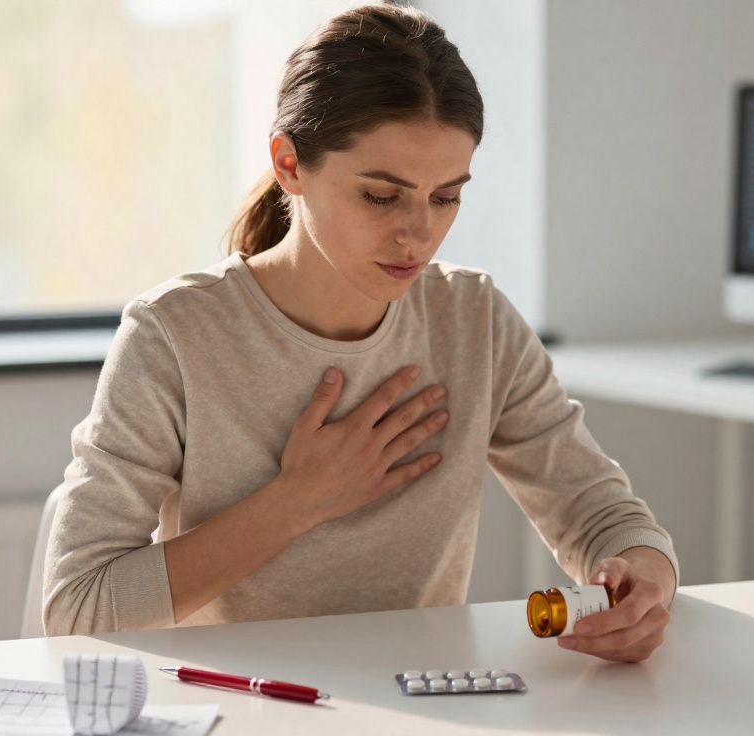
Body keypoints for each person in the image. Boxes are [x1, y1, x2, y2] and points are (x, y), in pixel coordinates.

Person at [43, 3, 679, 664]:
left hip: (425, 703)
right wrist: (295, 504)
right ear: (289, 163)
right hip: (247, 711)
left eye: (446, 196)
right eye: (381, 195)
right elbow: (77, 607)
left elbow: (600, 515)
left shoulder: (474, 320)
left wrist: (642, 582)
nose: (420, 234)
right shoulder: (175, 335)